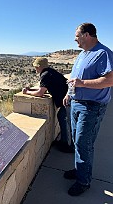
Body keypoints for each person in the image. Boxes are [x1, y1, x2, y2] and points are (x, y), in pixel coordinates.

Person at [63, 22, 113, 196]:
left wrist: (82, 84)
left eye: (77, 35)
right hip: (77, 103)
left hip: (92, 107)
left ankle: (83, 181)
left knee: (84, 144)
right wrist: (70, 93)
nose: (75, 39)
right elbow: (75, 78)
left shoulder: (103, 53)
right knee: (78, 142)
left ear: (86, 35)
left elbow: (110, 80)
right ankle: (80, 171)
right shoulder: (83, 54)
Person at [22, 57, 74, 152]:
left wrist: (27, 93)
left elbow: (40, 93)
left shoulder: (45, 75)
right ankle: (64, 142)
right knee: (62, 118)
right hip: (68, 99)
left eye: (36, 67)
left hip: (66, 101)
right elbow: (44, 89)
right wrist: (30, 90)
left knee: (65, 121)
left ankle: (68, 146)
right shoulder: (50, 72)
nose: (35, 69)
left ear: (39, 66)